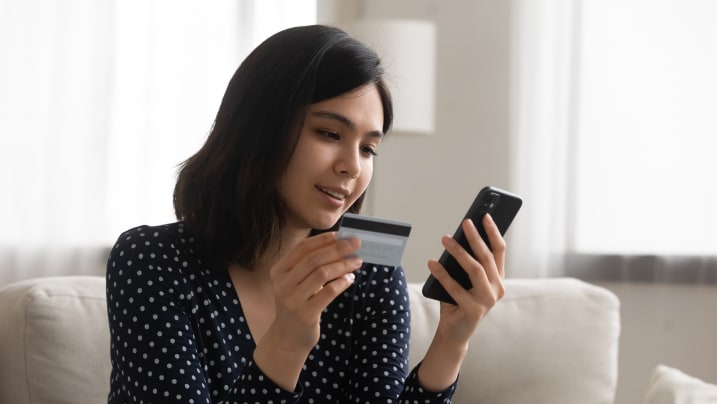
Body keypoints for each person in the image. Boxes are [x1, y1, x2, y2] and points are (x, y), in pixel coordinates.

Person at [106, 24, 506, 403]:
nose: (352, 166)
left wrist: (452, 340)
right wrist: (288, 339)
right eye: (330, 134)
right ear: (259, 129)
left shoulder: (369, 272)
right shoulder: (151, 261)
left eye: (368, 149)